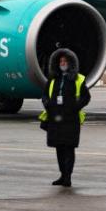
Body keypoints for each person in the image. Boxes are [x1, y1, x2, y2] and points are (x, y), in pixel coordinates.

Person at [39, 48, 90, 187]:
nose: (62, 63)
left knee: (69, 148)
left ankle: (68, 176)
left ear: (71, 63)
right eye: (60, 61)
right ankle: (62, 175)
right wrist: (46, 103)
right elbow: (44, 94)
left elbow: (86, 97)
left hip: (70, 119)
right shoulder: (53, 79)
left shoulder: (78, 79)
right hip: (55, 119)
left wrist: (75, 106)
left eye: (65, 61)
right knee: (59, 148)